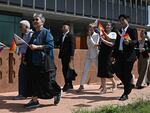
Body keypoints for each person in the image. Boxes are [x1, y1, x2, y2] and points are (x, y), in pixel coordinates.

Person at [24, 13, 61, 108]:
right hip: (34, 62)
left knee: (47, 82)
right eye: (33, 20)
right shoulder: (34, 34)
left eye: (37, 19)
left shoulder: (46, 32)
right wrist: (26, 58)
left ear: (42, 21)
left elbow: (50, 46)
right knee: (34, 81)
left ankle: (57, 92)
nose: (34, 21)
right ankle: (34, 100)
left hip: (44, 62)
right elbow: (30, 47)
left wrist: (37, 47)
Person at [112, 14, 138, 101]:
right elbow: (116, 45)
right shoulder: (119, 31)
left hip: (129, 56)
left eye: (123, 20)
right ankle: (128, 85)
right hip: (120, 55)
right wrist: (113, 56)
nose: (121, 22)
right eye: (120, 20)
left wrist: (129, 43)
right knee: (117, 71)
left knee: (126, 74)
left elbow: (135, 41)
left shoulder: (132, 30)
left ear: (127, 20)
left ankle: (125, 94)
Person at [76, 23, 100, 93]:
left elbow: (95, 45)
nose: (89, 29)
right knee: (85, 70)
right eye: (88, 27)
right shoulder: (88, 36)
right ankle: (81, 85)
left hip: (95, 55)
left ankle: (103, 84)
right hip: (89, 55)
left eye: (90, 27)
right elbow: (88, 45)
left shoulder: (97, 35)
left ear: (93, 28)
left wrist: (90, 37)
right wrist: (89, 37)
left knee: (99, 70)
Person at [14, 20, 33, 99]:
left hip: (27, 58)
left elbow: (30, 47)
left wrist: (25, 58)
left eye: (21, 26)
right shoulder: (24, 35)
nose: (20, 28)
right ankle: (25, 93)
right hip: (24, 57)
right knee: (24, 76)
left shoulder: (30, 34)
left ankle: (23, 94)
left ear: (26, 27)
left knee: (23, 75)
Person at [97, 22, 117, 94]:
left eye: (109, 25)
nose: (107, 26)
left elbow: (112, 44)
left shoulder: (113, 34)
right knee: (101, 71)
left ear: (111, 27)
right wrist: (99, 43)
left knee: (107, 71)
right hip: (101, 54)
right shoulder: (103, 34)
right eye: (107, 25)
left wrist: (103, 40)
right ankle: (104, 88)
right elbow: (101, 44)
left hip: (108, 54)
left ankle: (114, 84)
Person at [57, 24, 75, 92]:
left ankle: (68, 84)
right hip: (63, 56)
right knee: (64, 69)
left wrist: (72, 55)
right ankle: (68, 84)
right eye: (63, 27)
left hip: (68, 56)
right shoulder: (62, 35)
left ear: (68, 28)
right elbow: (58, 43)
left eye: (64, 27)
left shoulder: (71, 35)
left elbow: (72, 46)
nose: (63, 28)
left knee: (67, 70)